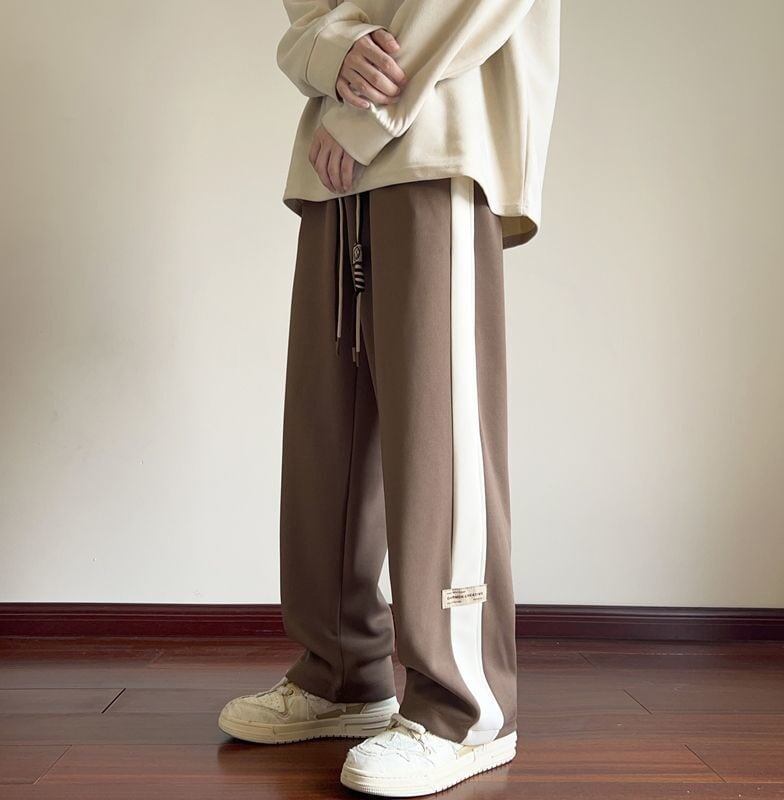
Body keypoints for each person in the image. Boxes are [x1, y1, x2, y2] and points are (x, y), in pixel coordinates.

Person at [219, 0, 560, 795]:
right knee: (325, 431)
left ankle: (465, 708)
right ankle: (341, 672)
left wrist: (367, 111)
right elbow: (307, 16)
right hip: (336, 161)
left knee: (438, 441)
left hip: (437, 136)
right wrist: (329, 52)